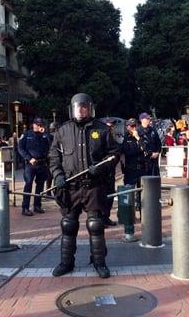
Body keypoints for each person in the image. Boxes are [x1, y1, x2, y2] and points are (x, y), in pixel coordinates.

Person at [49, 93, 118, 278]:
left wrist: (102, 168)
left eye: (84, 106)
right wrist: (57, 175)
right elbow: (54, 157)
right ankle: (66, 263)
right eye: (77, 107)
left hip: (94, 186)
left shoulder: (102, 129)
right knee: (68, 224)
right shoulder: (62, 131)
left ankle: (99, 263)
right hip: (70, 187)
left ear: (90, 108)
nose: (81, 110)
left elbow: (114, 154)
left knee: (95, 225)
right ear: (72, 109)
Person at [18, 117, 50, 216]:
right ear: (33, 124)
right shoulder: (27, 134)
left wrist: (45, 133)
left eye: (41, 124)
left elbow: (52, 143)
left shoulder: (45, 135)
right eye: (37, 124)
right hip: (30, 164)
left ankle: (37, 205)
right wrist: (28, 158)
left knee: (40, 186)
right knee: (28, 184)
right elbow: (20, 148)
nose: (39, 126)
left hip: (42, 163)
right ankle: (25, 207)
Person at [103, 117, 119, 227]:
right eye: (109, 125)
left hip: (111, 169)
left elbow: (116, 151)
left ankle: (106, 216)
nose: (111, 127)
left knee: (111, 193)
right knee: (102, 195)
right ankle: (101, 218)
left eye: (112, 125)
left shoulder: (114, 137)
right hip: (103, 170)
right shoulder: (101, 136)